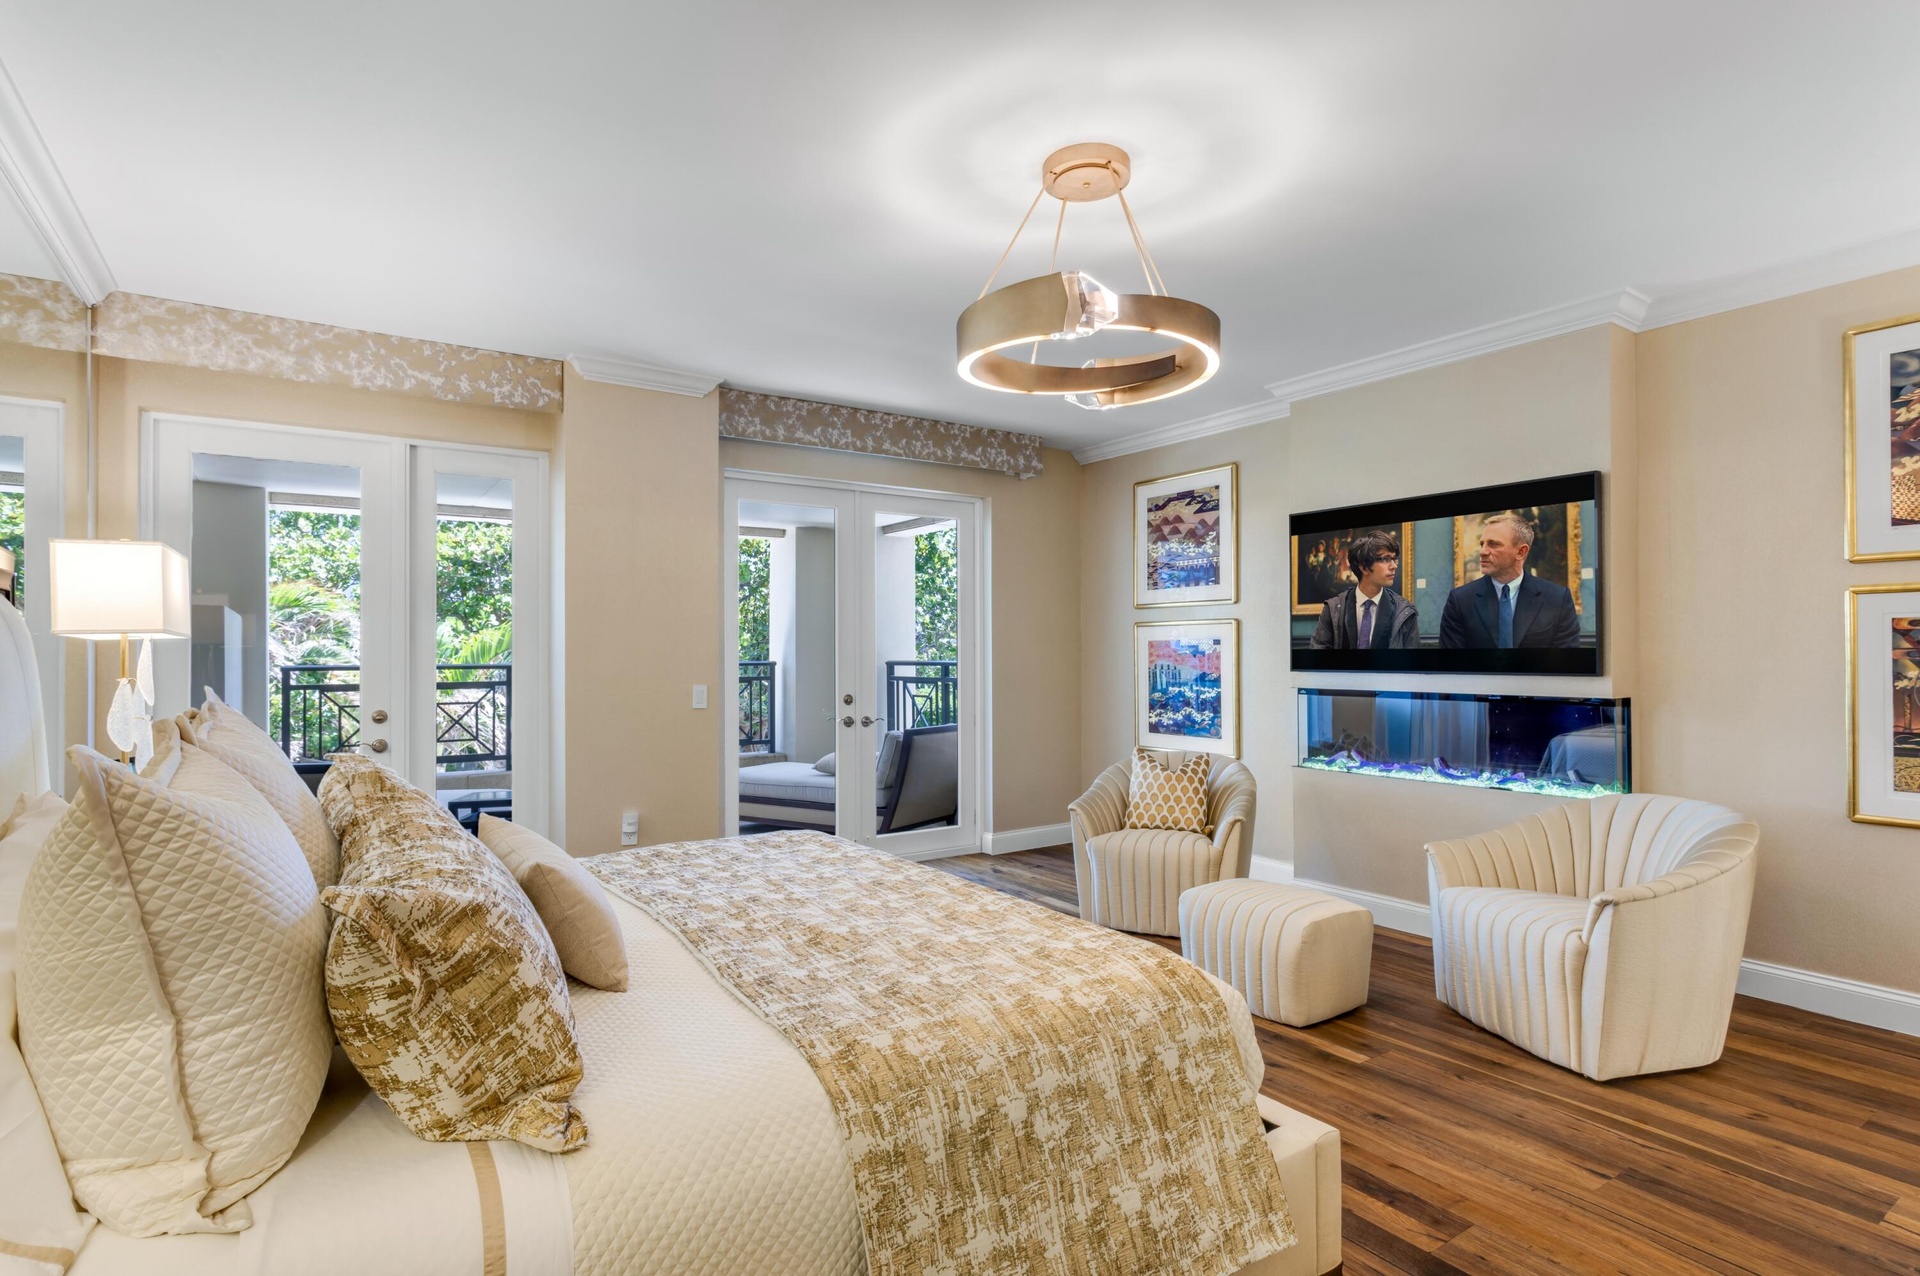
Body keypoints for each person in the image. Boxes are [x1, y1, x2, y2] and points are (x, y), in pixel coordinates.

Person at [1438, 512, 1580, 649]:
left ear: (1521, 552)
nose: (1482, 552)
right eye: (1482, 544)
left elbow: (1566, 660)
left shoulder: (1557, 599)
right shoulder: (1460, 600)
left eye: (1493, 544)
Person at [1310, 529, 1418, 649]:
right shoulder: (1333, 609)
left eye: (1394, 559)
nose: (1394, 566)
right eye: (1385, 559)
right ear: (1364, 567)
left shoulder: (1405, 612)